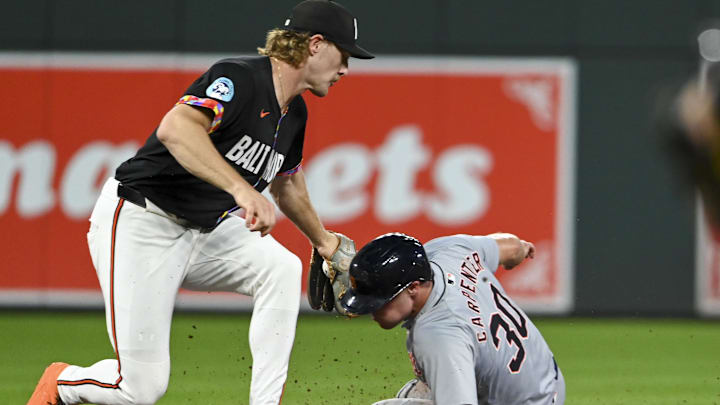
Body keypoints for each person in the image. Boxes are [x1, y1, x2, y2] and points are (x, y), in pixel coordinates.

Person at [27, 1, 373, 404]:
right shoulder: (239, 78)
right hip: (143, 219)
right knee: (138, 389)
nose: (346, 67)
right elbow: (177, 128)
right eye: (343, 53)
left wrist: (324, 242)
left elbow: (288, 184)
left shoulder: (295, 113)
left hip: (205, 232)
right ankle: (61, 383)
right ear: (315, 44)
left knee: (281, 269)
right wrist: (241, 190)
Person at [340, 233, 565, 405]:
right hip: (542, 375)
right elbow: (511, 246)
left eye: (381, 300)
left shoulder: (438, 336)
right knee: (419, 392)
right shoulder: (449, 251)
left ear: (414, 288)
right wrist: (522, 249)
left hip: (529, 400)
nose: (372, 310)